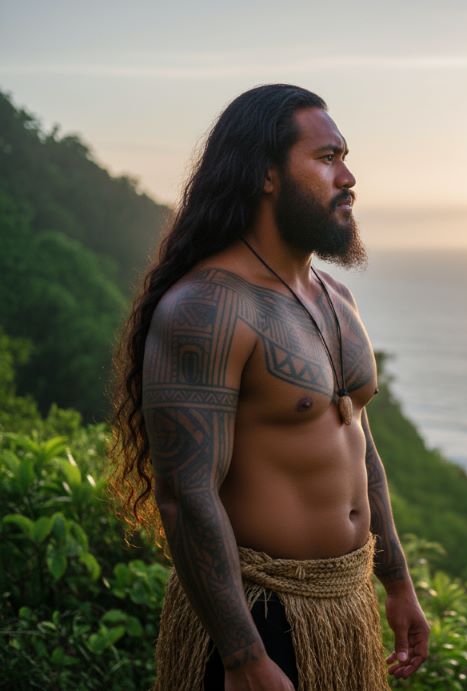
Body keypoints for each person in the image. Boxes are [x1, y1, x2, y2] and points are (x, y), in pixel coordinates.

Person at [109, 84, 429, 690]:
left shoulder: (337, 297)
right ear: (266, 175)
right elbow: (186, 495)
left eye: (345, 156)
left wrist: (397, 582)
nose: (349, 176)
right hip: (256, 620)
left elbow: (360, 444)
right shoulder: (206, 308)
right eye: (328, 158)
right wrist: (243, 657)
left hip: (344, 608)